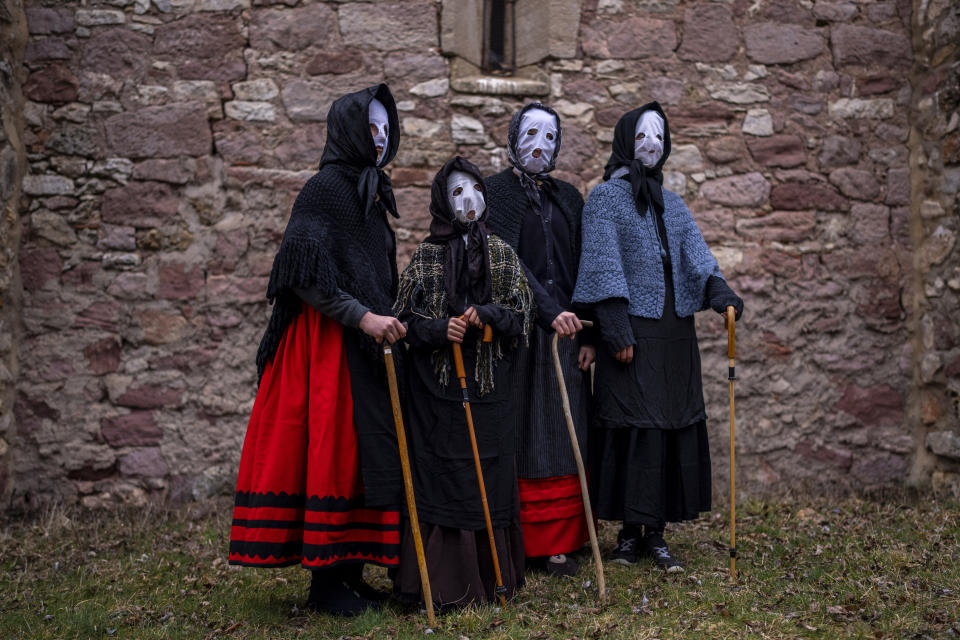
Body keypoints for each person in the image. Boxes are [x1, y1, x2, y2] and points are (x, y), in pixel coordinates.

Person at [229, 84, 409, 615]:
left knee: (359, 456)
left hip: (364, 347)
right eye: (369, 130)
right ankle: (325, 586)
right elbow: (302, 276)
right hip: (323, 348)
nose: (378, 140)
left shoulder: (372, 194)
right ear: (347, 131)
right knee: (328, 456)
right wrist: (364, 316)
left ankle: (350, 575)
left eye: (385, 130)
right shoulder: (325, 189)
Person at [572, 101, 744, 572]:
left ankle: (657, 534)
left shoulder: (674, 204)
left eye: (659, 138)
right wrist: (615, 329)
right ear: (626, 141)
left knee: (668, 427)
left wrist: (721, 292)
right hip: (631, 329)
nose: (651, 145)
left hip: (673, 332)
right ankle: (629, 534)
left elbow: (697, 256)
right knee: (635, 429)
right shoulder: (606, 197)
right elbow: (603, 265)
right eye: (643, 137)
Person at [393, 156, 533, 608]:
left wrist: (488, 316)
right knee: (445, 473)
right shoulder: (427, 257)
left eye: (474, 187)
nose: (468, 198)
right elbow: (403, 320)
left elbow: (523, 314)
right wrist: (439, 329)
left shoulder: (503, 253)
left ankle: (495, 578)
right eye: (457, 192)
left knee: (488, 474)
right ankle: (444, 582)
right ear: (441, 202)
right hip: (438, 391)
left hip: (491, 386)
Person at [485, 103, 593, 577]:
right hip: (519, 334)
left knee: (562, 435)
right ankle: (519, 538)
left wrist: (593, 330)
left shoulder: (568, 197)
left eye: (549, 138)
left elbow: (589, 267)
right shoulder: (493, 194)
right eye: (530, 134)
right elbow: (504, 261)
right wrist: (548, 313)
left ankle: (560, 541)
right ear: (512, 137)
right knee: (525, 432)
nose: (539, 145)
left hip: (569, 335)